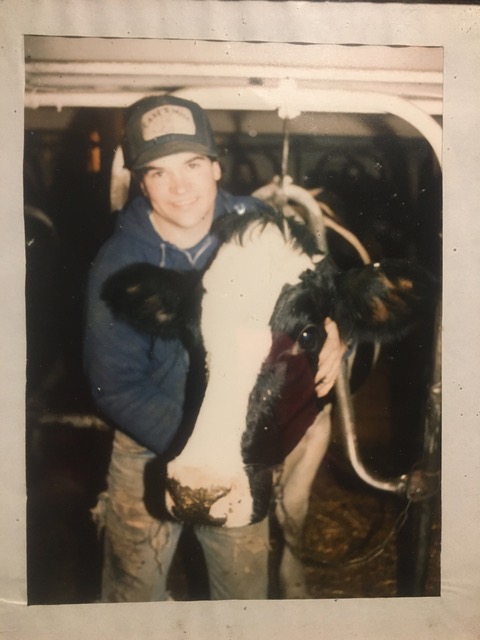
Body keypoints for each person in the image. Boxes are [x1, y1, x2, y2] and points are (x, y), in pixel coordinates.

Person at [84, 94, 345, 602]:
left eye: (192, 164)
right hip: (150, 444)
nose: (180, 186)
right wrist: (200, 448)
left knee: (243, 595)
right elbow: (114, 388)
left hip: (240, 445)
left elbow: (310, 291)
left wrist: (333, 327)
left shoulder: (260, 225)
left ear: (216, 168)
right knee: (132, 598)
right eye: (158, 172)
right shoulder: (117, 265)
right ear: (141, 183)